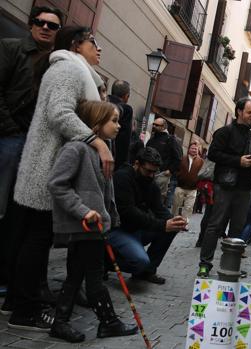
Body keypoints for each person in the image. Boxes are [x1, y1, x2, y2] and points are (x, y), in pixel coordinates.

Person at [9, 25, 113, 332]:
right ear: (76, 45)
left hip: (51, 165)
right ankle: (24, 310)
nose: (99, 49)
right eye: (94, 42)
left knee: (33, 238)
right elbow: (60, 113)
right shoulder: (68, 69)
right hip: (48, 167)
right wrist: (97, 141)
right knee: (37, 240)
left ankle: (18, 301)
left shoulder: (77, 71)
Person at [47, 100, 137, 342]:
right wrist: (83, 211)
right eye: (114, 121)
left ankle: (61, 322)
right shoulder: (76, 149)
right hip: (85, 225)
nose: (119, 126)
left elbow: (105, 193)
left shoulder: (102, 150)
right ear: (96, 124)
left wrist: (110, 217)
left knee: (76, 274)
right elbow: (57, 183)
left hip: (95, 226)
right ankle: (108, 322)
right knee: (94, 277)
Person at [0, 5, 64, 317]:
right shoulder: (12, 49)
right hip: (12, 137)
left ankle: (12, 283)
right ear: (30, 25)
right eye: (40, 22)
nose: (45, 28)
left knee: (19, 216)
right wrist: (11, 129)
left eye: (52, 25)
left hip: (37, 145)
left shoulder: (57, 61)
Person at [197, 97, 251, 278]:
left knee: (237, 228)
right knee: (215, 225)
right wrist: (238, 161)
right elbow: (213, 154)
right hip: (224, 186)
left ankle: (231, 265)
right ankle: (205, 264)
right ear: (239, 112)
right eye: (249, 112)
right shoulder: (224, 132)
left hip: (244, 189)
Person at [108, 147, 187, 284]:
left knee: (171, 228)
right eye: (148, 171)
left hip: (137, 229)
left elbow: (159, 209)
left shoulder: (150, 183)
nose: (151, 175)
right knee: (140, 262)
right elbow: (128, 212)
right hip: (119, 229)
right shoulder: (122, 177)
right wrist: (163, 224)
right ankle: (105, 262)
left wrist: (174, 221)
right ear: (137, 164)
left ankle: (147, 271)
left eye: (154, 172)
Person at [145, 117, 181, 204]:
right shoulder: (151, 140)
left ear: (163, 127)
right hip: (147, 172)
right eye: (153, 124)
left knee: (158, 198)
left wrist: (170, 171)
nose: (154, 126)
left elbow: (178, 157)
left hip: (161, 173)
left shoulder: (170, 139)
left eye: (156, 125)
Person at [172, 142, 204, 226]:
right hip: (180, 186)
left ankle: (184, 224)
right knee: (176, 204)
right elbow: (176, 169)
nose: (194, 150)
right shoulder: (182, 158)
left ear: (198, 150)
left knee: (189, 207)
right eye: (192, 148)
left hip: (193, 188)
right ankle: (174, 221)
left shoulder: (201, 161)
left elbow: (202, 173)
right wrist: (178, 176)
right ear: (189, 149)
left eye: (195, 149)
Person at [108, 80, 133, 168]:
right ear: (127, 96)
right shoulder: (126, 109)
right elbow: (124, 139)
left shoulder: (101, 102)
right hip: (113, 157)